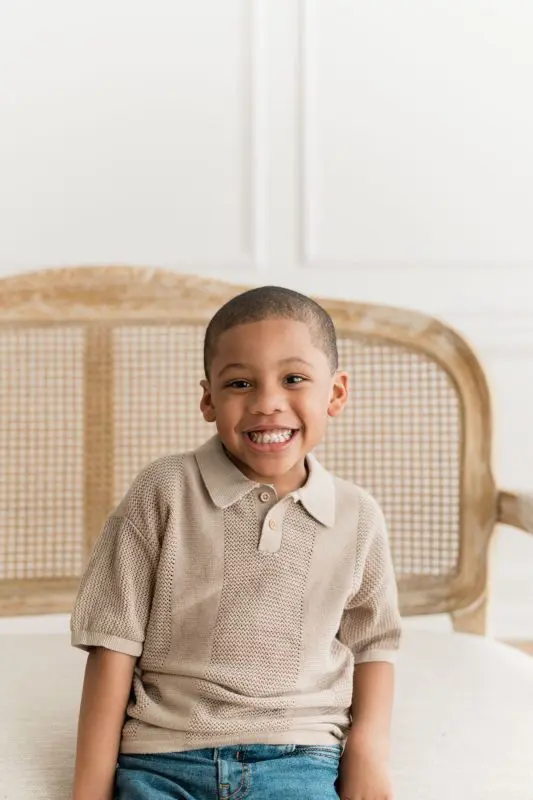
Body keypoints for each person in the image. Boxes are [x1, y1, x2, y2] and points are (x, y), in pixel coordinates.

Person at [70, 285, 402, 800]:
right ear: (209, 399)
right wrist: (89, 790)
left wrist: (368, 754)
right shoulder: (164, 491)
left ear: (336, 393)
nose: (267, 403)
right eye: (240, 383)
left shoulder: (357, 515)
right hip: (163, 757)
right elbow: (113, 641)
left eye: (294, 379)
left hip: (299, 758)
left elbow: (373, 642)